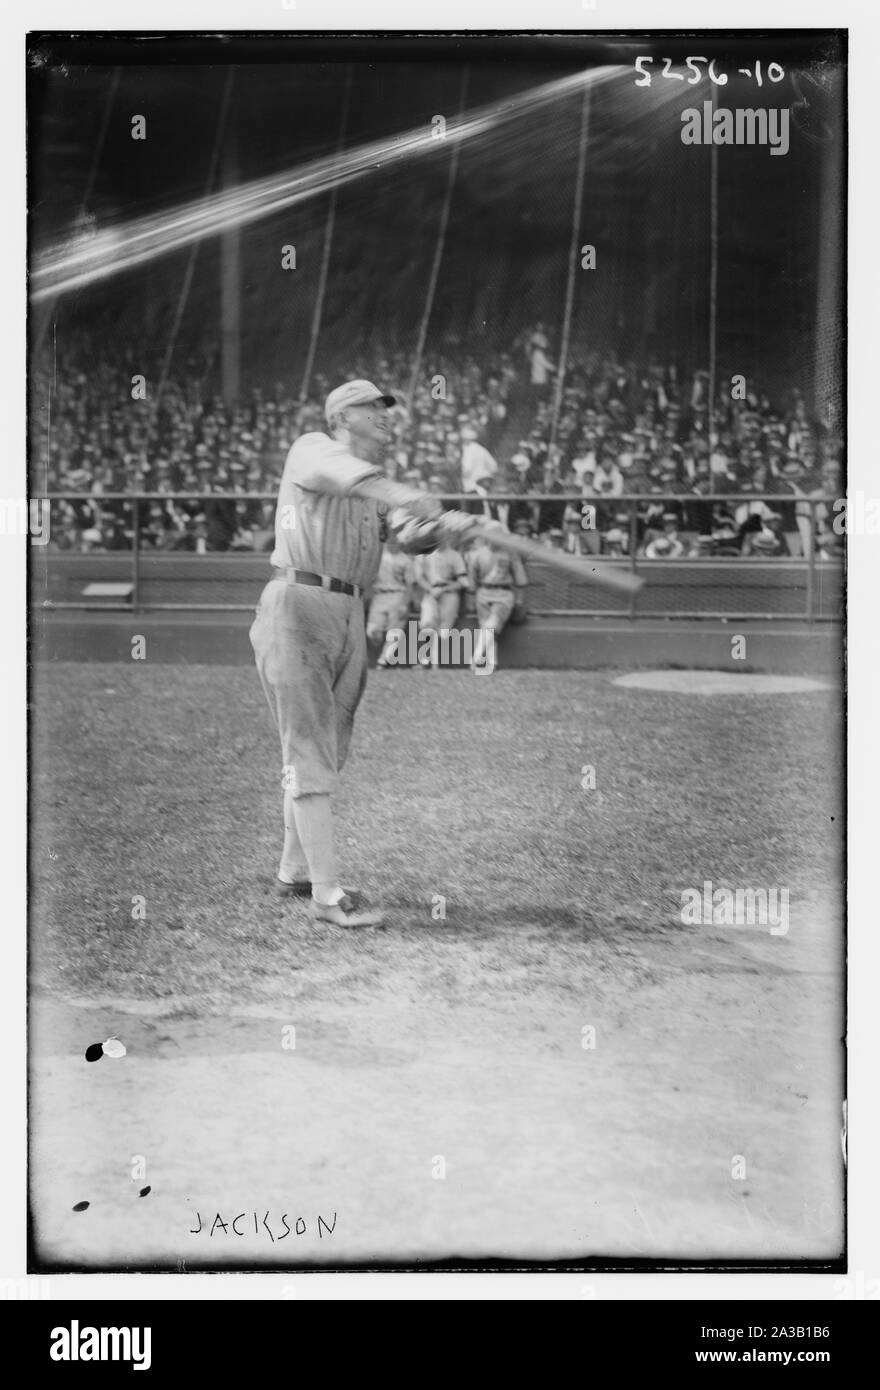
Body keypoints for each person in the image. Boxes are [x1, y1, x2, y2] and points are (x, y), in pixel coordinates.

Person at [250, 378, 442, 928]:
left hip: (349, 612)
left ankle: (294, 871)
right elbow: (360, 481)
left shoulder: (373, 491)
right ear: (343, 416)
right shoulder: (313, 448)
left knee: (325, 748)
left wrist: (440, 525)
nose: (386, 417)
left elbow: (410, 532)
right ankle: (327, 897)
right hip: (299, 602)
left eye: (388, 410)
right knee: (309, 748)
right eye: (374, 408)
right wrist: (408, 497)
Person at [466, 535, 528, 672]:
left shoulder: (511, 553)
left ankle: (476, 658)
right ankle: (491, 664)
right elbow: (471, 579)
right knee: (487, 630)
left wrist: (519, 600)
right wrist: (470, 598)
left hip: (503, 594)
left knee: (491, 625)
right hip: (483, 592)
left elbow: (521, 579)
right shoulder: (478, 554)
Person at [413, 540, 469, 668]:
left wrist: (444, 589)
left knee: (443, 629)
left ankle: (433, 664)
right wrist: (431, 589)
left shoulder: (454, 555)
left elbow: (463, 581)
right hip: (430, 591)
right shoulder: (424, 554)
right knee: (427, 623)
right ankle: (427, 662)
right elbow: (419, 578)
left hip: (449, 592)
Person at [366, 535, 415, 669]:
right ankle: (382, 646)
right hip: (379, 595)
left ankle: (383, 660)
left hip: (397, 594)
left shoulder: (406, 560)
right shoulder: (379, 558)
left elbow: (410, 585)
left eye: (394, 541)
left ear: (399, 542)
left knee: (394, 630)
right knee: (372, 630)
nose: (392, 543)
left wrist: (405, 603)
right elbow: (370, 578)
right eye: (390, 541)